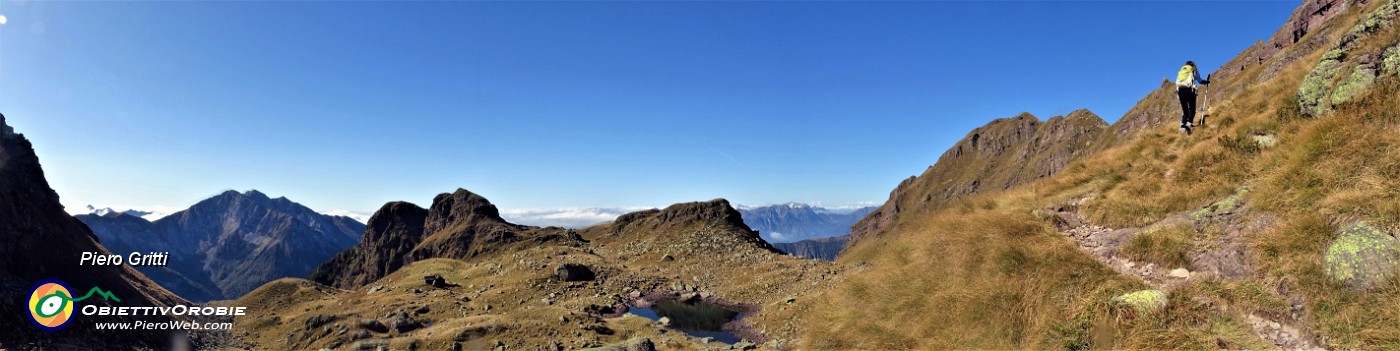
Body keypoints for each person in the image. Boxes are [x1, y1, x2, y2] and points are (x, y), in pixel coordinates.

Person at [1176, 61, 1210, 133]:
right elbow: (1200, 80)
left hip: (1180, 91)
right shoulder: (1193, 70)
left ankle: (1182, 129)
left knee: (1185, 111)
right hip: (1190, 91)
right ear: (1192, 65)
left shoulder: (1182, 70)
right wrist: (1207, 82)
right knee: (1192, 110)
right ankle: (1188, 125)